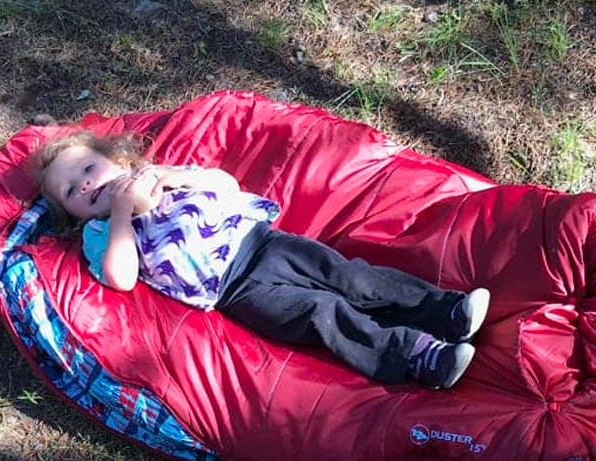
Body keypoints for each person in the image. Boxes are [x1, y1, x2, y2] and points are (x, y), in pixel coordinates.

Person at [33, 130, 490, 389]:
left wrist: (168, 178)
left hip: (264, 243)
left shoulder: (158, 176)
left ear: (118, 159)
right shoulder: (100, 233)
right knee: (322, 312)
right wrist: (119, 213)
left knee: (348, 277)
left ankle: (445, 310)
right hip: (236, 291)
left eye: (88, 170)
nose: (86, 186)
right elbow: (121, 278)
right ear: (70, 212)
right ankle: (419, 357)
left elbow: (226, 186)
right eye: (71, 191)